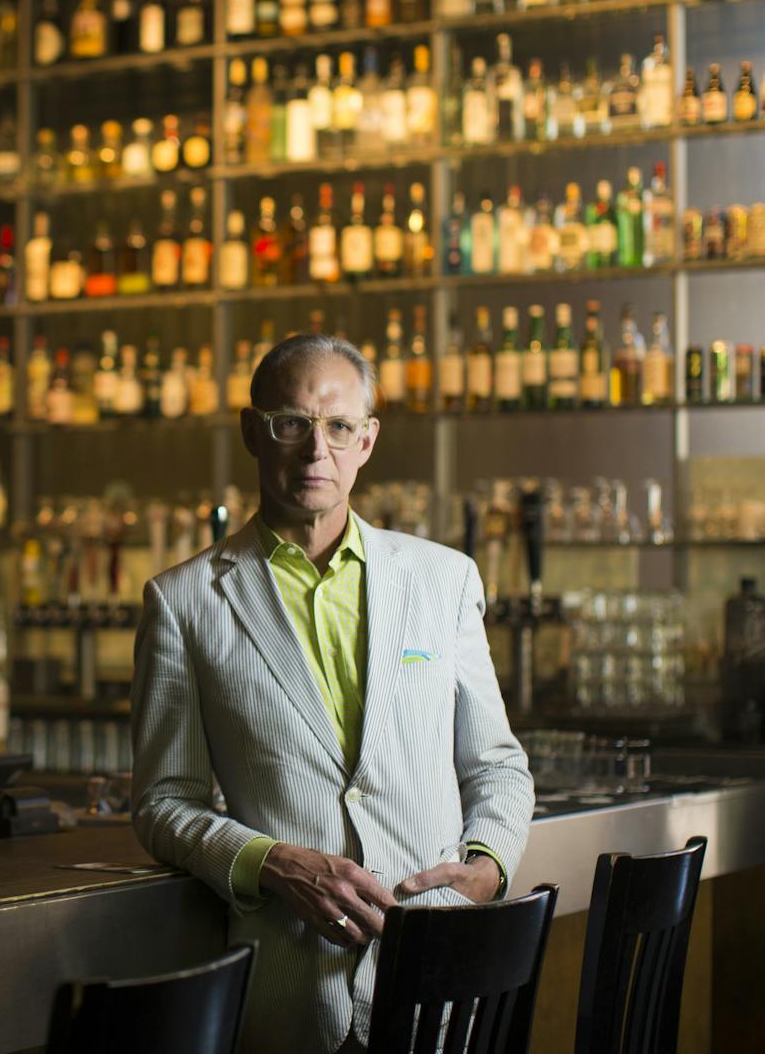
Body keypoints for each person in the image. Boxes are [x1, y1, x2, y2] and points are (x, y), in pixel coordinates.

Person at [131, 334, 534, 1054]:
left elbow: (498, 763)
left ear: (367, 440)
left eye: (339, 427)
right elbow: (163, 803)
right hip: (289, 996)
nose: (317, 450)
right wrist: (270, 861)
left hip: (441, 982)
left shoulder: (444, 580)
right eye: (292, 423)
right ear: (253, 432)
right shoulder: (184, 601)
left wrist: (487, 868)